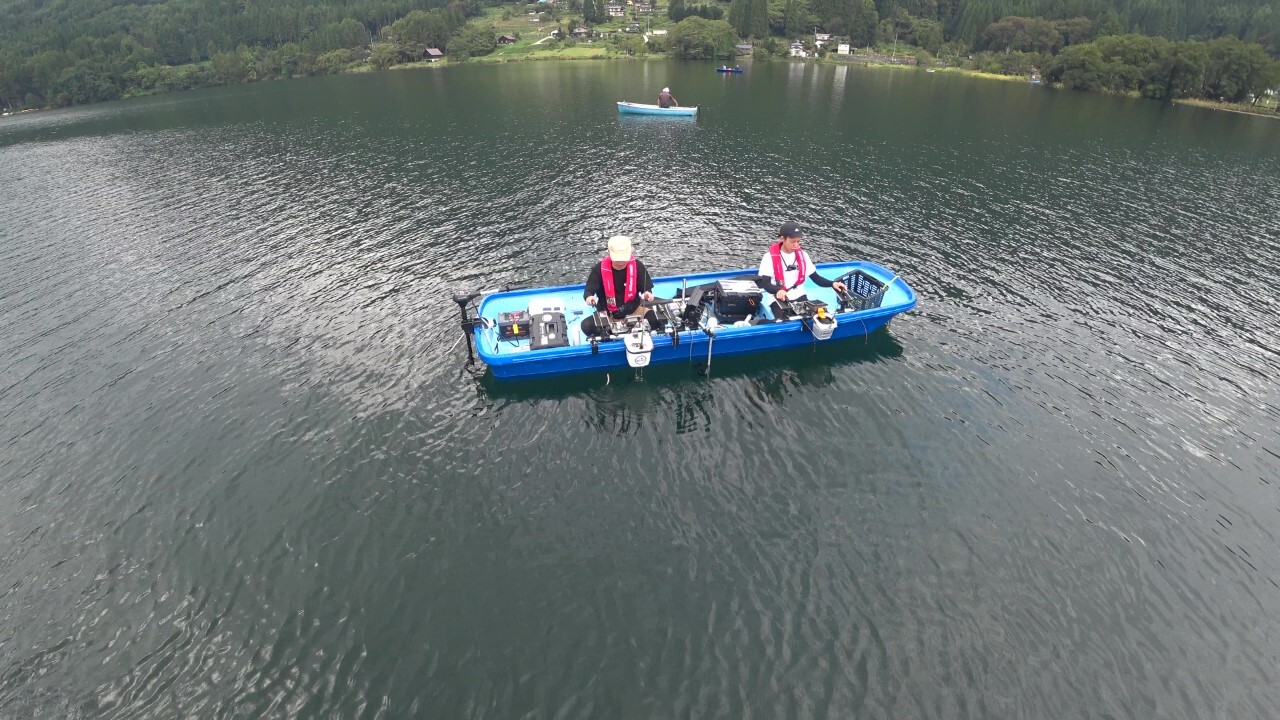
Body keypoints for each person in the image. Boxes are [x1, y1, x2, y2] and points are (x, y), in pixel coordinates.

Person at [757, 222, 847, 319]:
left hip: (799, 296)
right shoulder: (768, 257)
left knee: (821, 319)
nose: (796, 245)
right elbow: (765, 284)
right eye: (792, 242)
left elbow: (816, 278)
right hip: (778, 298)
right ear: (782, 239)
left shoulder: (803, 255)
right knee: (786, 322)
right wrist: (778, 290)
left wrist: (832, 284)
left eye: (798, 241)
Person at [582, 236, 661, 337]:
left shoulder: (638, 266)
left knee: (657, 319)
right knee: (586, 326)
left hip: (634, 310)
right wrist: (589, 298)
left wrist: (647, 293)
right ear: (609, 253)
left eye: (623, 259)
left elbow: (646, 288)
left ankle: (635, 332)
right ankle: (611, 335)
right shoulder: (599, 269)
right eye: (617, 259)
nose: (620, 262)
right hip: (608, 313)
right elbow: (588, 291)